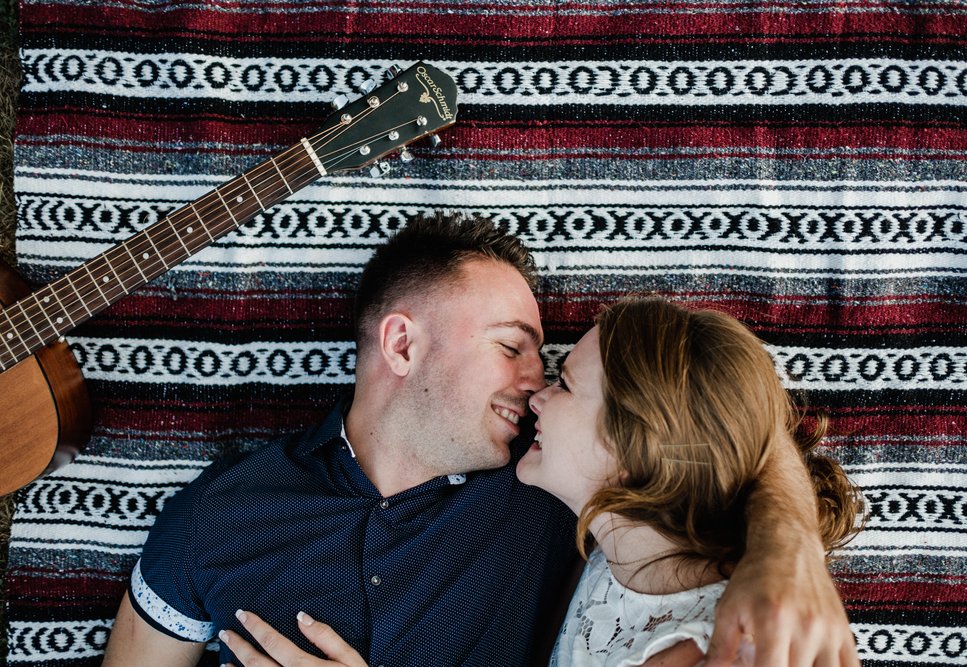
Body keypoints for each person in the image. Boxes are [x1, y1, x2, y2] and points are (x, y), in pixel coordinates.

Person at [103, 213, 861, 666]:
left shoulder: (552, 496)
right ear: (402, 345)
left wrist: (786, 546)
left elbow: (727, 438)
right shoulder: (221, 512)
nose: (535, 383)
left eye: (555, 370)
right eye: (512, 346)